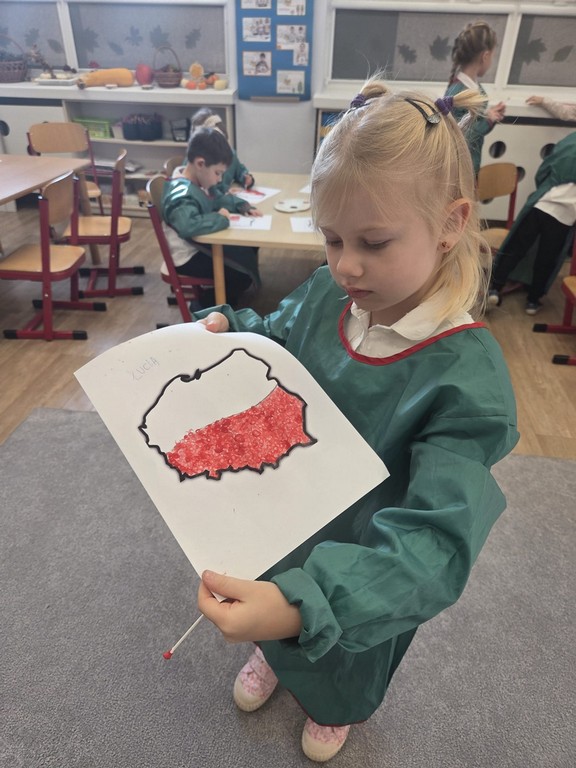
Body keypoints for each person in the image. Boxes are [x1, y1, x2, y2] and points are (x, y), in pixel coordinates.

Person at [193, 76, 519, 763]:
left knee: (340, 645)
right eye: (332, 238)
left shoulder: (467, 379)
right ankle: (276, 652)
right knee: (271, 600)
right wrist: (231, 330)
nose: (346, 265)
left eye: (374, 242)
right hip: (292, 511)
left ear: (451, 224)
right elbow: (278, 339)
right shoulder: (327, 294)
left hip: (370, 557)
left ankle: (331, 705)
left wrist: (301, 607)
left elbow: (432, 546)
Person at [161, 126, 261, 308]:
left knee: (250, 247)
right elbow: (188, 225)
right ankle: (206, 304)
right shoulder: (181, 193)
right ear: (200, 164)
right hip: (188, 257)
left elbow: (217, 198)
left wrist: (241, 205)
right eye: (217, 173)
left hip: (201, 245)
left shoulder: (198, 182)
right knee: (241, 275)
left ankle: (227, 296)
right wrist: (221, 218)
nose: (219, 179)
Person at [488, 130, 576, 314]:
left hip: (543, 203)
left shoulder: (571, 142)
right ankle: (533, 300)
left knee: (515, 248)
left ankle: (495, 287)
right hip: (566, 216)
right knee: (547, 258)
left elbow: (544, 170)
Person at [444, 20, 506, 174]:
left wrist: (489, 117)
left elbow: (472, 124)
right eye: (492, 56)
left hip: (471, 165)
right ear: (485, 56)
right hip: (458, 170)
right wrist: (487, 121)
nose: (491, 61)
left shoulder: (475, 87)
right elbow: (459, 136)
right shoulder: (458, 92)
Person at [189, 107, 256, 195]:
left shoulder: (230, 154)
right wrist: (225, 192)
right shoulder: (194, 164)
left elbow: (239, 170)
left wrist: (245, 178)